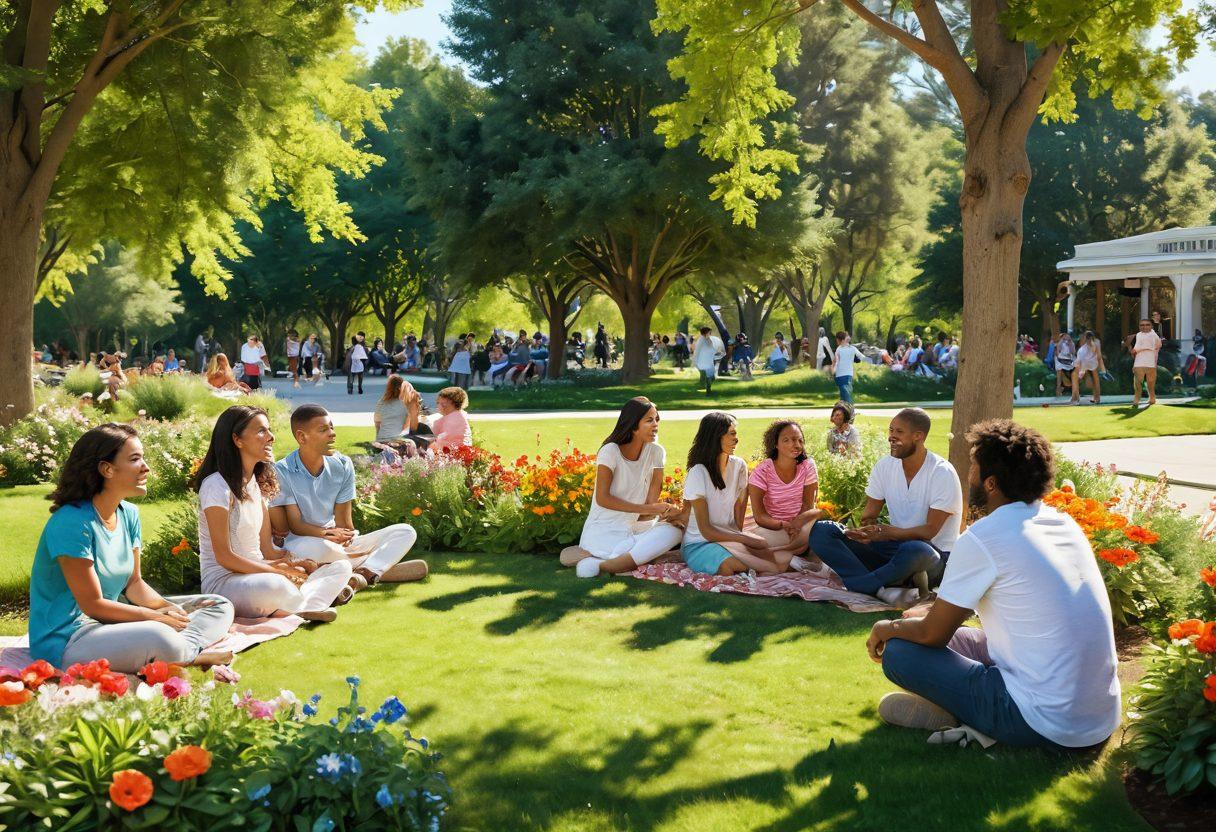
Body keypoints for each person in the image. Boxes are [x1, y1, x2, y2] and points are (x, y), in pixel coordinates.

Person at [868, 419, 1120, 750]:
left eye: (972, 466)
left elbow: (933, 635)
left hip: (1042, 722)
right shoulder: (1062, 522)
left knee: (901, 650)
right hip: (1098, 718)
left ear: (990, 483)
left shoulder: (985, 537)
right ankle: (959, 708)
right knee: (922, 628)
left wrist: (884, 628)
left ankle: (963, 717)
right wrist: (919, 618)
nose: (967, 474)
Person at [28, 424, 234, 672]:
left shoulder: (129, 515)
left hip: (113, 624)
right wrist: (157, 618)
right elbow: (92, 605)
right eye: (135, 459)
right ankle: (185, 653)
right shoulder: (71, 523)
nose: (146, 466)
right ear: (107, 469)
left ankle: (178, 649)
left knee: (218, 605)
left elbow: (134, 583)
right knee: (158, 635)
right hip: (69, 638)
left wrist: (165, 608)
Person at [195, 406, 355, 623]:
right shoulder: (216, 486)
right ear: (237, 440)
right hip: (227, 581)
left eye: (269, 430)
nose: (271, 437)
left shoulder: (256, 485)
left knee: (340, 567)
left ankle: (301, 605)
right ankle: (306, 603)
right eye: (261, 431)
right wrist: (277, 571)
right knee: (276, 585)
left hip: (260, 572)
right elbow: (225, 557)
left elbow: (267, 549)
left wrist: (296, 563)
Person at [808, 408, 963, 605]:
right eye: (891, 431)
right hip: (894, 551)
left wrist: (887, 532)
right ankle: (881, 585)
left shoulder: (941, 473)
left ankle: (864, 585)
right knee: (823, 531)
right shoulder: (885, 466)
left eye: (899, 432)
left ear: (918, 436)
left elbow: (929, 531)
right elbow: (869, 514)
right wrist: (866, 531)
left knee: (917, 550)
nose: (891, 437)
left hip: (933, 558)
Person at [269, 405, 426, 589]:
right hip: (303, 542)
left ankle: (361, 572)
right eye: (323, 429)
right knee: (320, 548)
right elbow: (295, 525)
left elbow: (344, 521)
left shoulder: (342, 464)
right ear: (302, 437)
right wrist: (328, 536)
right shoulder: (282, 470)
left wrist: (347, 537)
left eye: (331, 427)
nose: (332, 434)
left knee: (405, 532)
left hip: (335, 541)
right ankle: (373, 568)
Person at [566, 397, 686, 578]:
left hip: (639, 528)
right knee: (646, 544)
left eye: (657, 420)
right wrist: (648, 509)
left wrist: (667, 514)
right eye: (649, 420)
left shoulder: (656, 452)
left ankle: (611, 563)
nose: (655, 425)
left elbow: (648, 510)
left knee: (676, 531)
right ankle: (625, 559)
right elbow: (603, 498)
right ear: (633, 424)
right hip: (606, 529)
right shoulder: (610, 451)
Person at [681, 413, 783, 576]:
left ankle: (760, 564)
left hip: (729, 539)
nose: (736, 439)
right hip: (699, 544)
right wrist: (745, 539)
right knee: (731, 565)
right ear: (716, 436)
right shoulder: (698, 473)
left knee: (771, 556)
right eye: (732, 434)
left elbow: (739, 513)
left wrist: (741, 539)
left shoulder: (739, 466)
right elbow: (706, 531)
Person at [746, 420, 823, 571]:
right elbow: (760, 516)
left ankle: (783, 559)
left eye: (799, 440)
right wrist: (783, 525)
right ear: (775, 444)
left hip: (801, 526)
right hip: (771, 527)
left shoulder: (807, 466)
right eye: (787, 440)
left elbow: (808, 506)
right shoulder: (763, 471)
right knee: (757, 542)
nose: (796, 445)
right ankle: (791, 558)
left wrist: (797, 525)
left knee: (819, 532)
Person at [374, 374, 423, 442]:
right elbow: (409, 427)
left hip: (381, 439)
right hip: (398, 440)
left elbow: (377, 422)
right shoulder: (406, 402)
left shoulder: (382, 402)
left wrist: (378, 437)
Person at [431, 387, 472, 454]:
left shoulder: (442, 421)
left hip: (447, 454)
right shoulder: (462, 416)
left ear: (447, 404)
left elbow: (431, 435)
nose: (438, 406)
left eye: (439, 403)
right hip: (464, 452)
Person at [1132, 318, 1162, 407]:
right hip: (1139, 360)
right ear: (1139, 326)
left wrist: (1154, 355)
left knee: (1151, 383)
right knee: (1138, 382)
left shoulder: (1154, 335)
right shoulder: (1138, 335)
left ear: (1151, 326)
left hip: (1150, 361)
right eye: (1142, 325)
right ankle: (1136, 399)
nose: (1144, 327)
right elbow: (1137, 347)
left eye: (1147, 324)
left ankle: (1152, 398)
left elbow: (1159, 345)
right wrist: (1133, 351)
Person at [1070, 331, 1105, 405]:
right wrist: (1102, 368)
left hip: (1085, 364)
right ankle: (1097, 399)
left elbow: (1080, 359)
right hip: (1092, 363)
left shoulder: (1084, 347)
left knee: (1074, 377)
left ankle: (1075, 398)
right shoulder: (1095, 343)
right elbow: (1099, 356)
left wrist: (1074, 365)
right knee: (1096, 380)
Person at [692, 325, 725, 395]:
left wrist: (717, 352)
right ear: (706, 332)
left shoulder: (705, 340)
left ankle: (708, 389)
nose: (710, 334)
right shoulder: (703, 340)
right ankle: (708, 390)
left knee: (711, 376)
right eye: (709, 332)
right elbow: (706, 350)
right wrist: (718, 352)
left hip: (707, 360)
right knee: (710, 376)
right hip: (705, 361)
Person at [830, 331, 861, 404]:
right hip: (846, 374)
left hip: (843, 374)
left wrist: (833, 370)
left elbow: (835, 362)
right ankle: (845, 411)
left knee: (845, 394)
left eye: (837, 340)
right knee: (844, 394)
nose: (836, 341)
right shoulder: (842, 348)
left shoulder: (841, 349)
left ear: (839, 340)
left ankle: (849, 410)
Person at [1053, 332, 1075, 397]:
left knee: (1073, 374)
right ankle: (1058, 393)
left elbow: (1073, 352)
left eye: (1067, 337)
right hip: (1060, 361)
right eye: (1064, 337)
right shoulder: (1060, 343)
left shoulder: (1071, 343)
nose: (1066, 338)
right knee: (1059, 377)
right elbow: (1058, 351)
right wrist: (1061, 340)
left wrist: (1070, 343)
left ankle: (1074, 392)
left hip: (1069, 361)